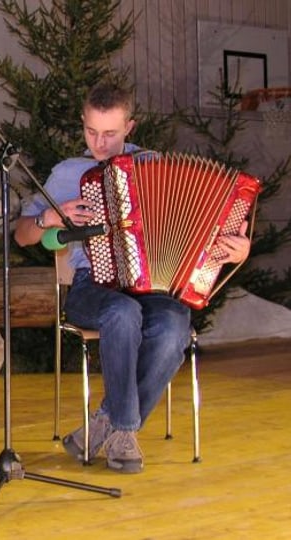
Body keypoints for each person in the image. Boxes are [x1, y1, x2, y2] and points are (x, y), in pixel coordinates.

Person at [14, 81, 251, 474]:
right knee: (122, 312)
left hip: (150, 285)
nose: (100, 143)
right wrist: (48, 218)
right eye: (91, 131)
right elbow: (23, 236)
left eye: (110, 133)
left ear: (130, 127)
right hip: (90, 286)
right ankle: (124, 430)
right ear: (82, 123)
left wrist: (239, 248)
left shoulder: (154, 166)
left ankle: (107, 423)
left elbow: (203, 225)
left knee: (175, 323)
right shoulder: (67, 173)